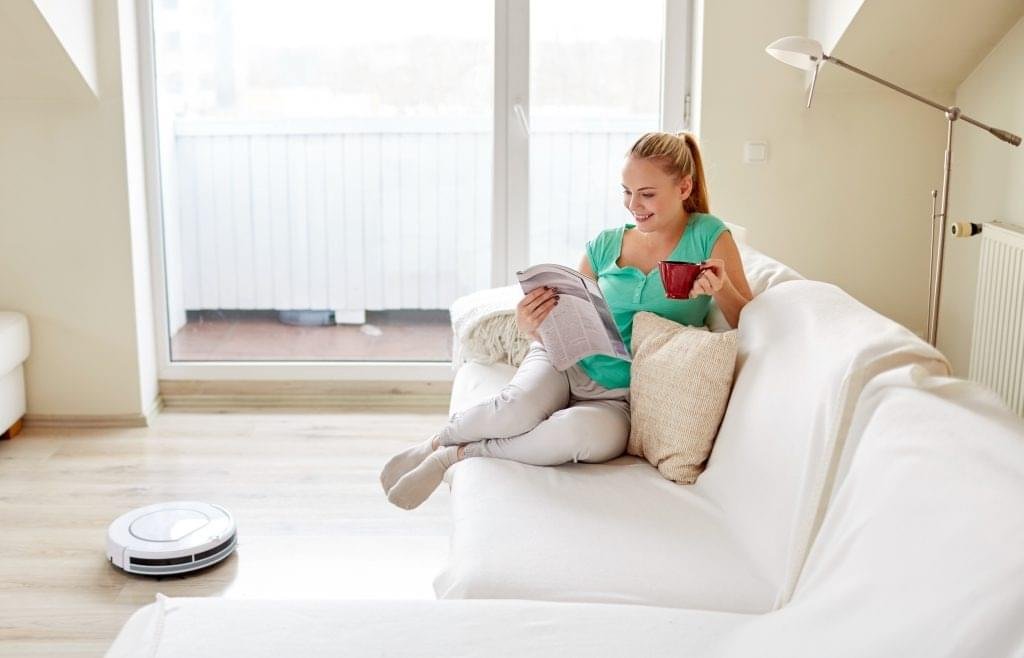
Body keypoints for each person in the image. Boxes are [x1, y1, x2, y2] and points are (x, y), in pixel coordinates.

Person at [381, 132, 754, 509]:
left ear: (684, 187)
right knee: (515, 410)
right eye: (626, 192)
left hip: (621, 400)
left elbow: (749, 317)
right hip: (564, 361)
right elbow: (572, 313)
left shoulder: (708, 235)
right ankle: (436, 442)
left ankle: (455, 455)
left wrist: (720, 288)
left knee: (572, 436)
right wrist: (532, 325)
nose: (633, 205)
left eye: (646, 194)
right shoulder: (606, 244)